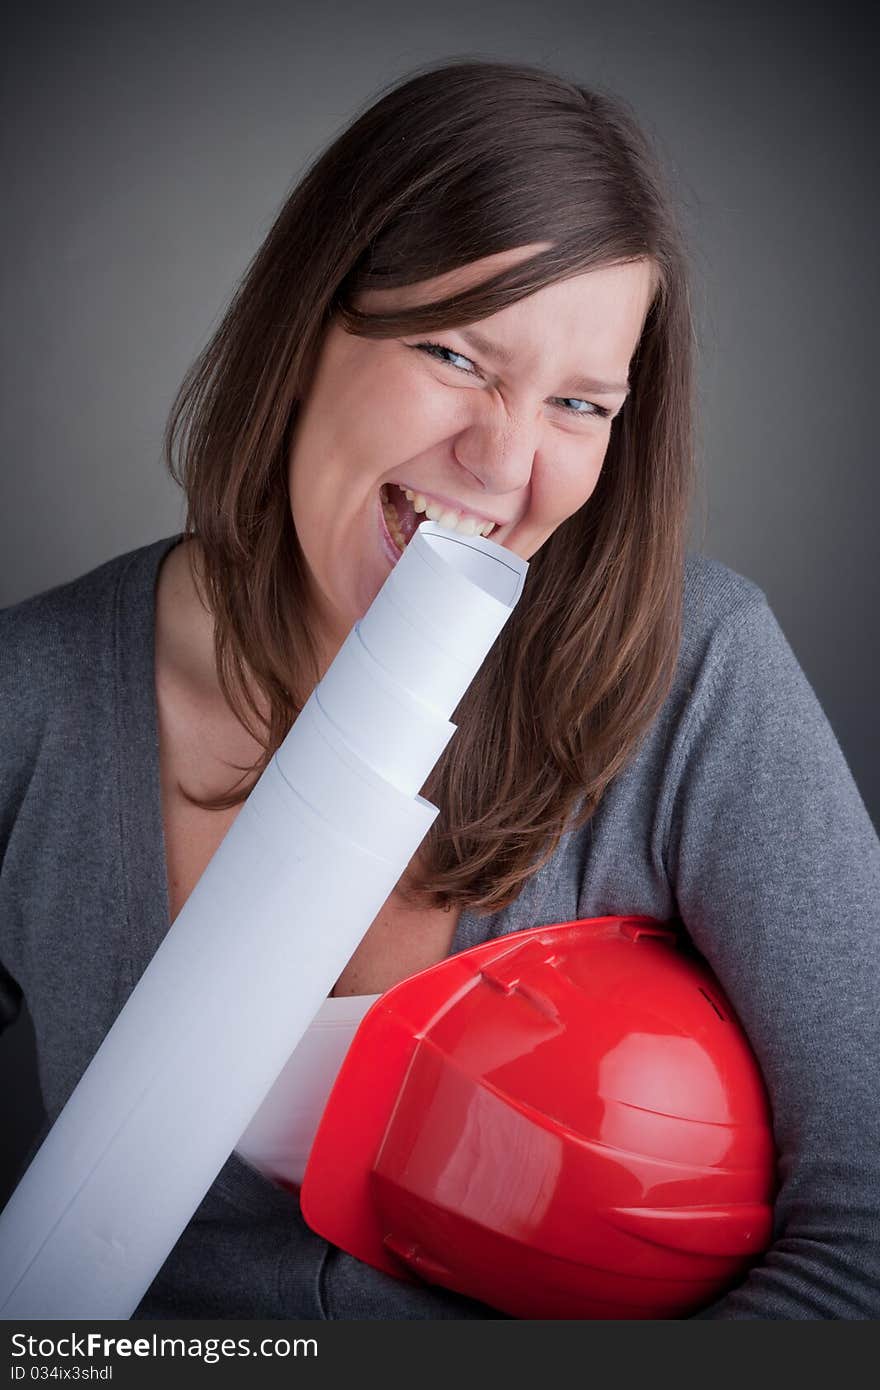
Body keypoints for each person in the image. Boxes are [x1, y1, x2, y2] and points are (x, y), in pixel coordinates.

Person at [1, 57, 878, 1320]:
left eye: (578, 403)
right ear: (309, 327)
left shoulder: (697, 677)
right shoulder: (36, 696)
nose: (506, 462)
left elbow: (864, 1230)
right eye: (457, 356)